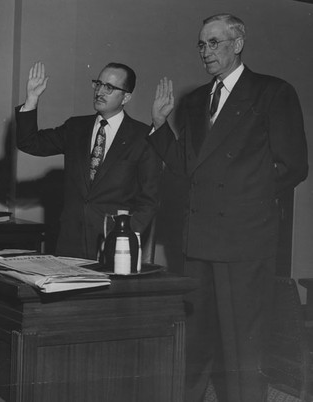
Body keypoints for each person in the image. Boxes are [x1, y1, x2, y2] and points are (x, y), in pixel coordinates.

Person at [149, 13, 308, 402]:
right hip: (199, 241)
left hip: (243, 240)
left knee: (241, 351)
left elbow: (294, 165)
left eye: (215, 42)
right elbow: (189, 166)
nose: (206, 52)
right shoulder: (198, 100)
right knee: (194, 346)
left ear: (238, 44)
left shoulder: (273, 91)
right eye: (202, 44)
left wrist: (240, 196)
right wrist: (159, 125)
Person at [16, 62, 161, 260]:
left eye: (109, 87)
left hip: (115, 246)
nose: (100, 91)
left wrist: (126, 236)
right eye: (98, 84)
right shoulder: (76, 128)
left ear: (126, 97)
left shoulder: (143, 137)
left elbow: (149, 201)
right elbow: (29, 143)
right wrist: (32, 99)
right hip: (69, 244)